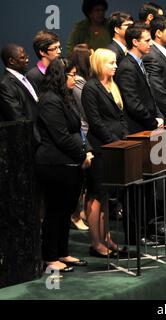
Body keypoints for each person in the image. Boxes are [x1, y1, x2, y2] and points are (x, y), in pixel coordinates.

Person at [35, 58, 92, 272]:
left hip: (69, 164)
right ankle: (50, 257)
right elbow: (61, 137)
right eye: (72, 75)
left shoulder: (64, 98)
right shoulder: (49, 100)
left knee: (65, 210)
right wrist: (82, 155)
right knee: (55, 211)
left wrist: (85, 151)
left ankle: (62, 252)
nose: (75, 78)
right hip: (54, 164)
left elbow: (76, 130)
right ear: (61, 75)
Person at [82, 48, 128, 257]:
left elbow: (120, 117)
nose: (115, 66)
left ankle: (106, 238)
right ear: (101, 64)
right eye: (111, 63)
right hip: (101, 148)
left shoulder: (112, 85)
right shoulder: (91, 88)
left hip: (115, 146)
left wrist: (125, 138)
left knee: (107, 194)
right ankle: (96, 243)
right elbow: (95, 121)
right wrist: (113, 142)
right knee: (96, 194)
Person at [116, 23, 164, 134]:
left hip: (148, 125)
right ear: (135, 42)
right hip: (138, 129)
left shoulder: (139, 62)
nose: (151, 43)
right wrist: (153, 122)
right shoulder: (127, 67)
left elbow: (149, 96)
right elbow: (133, 104)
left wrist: (158, 116)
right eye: (147, 40)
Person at [70, 43, 94, 231]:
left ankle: (83, 212)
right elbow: (85, 108)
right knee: (81, 177)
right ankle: (76, 214)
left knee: (86, 180)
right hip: (84, 130)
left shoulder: (84, 79)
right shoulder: (78, 81)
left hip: (86, 129)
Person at [0, 44, 39, 143]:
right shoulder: (5, 85)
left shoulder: (28, 77)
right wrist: (37, 139)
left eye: (26, 57)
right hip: (30, 141)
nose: (27, 60)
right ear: (11, 61)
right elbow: (18, 118)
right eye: (22, 58)